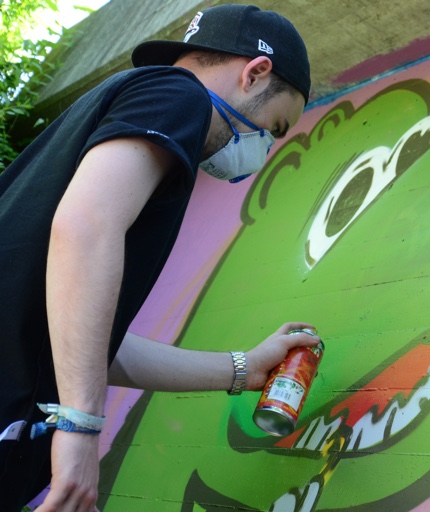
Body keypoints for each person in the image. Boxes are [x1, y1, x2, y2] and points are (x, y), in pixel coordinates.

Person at [0, 4, 318, 510]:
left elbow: (91, 339)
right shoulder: (181, 95)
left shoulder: (123, 110)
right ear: (255, 74)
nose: (263, 149)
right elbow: (86, 227)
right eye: (274, 127)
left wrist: (242, 369)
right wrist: (79, 426)